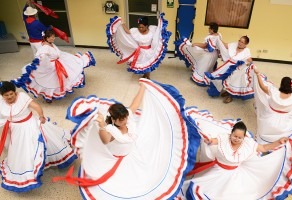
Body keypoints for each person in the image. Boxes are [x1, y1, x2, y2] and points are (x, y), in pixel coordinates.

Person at [53, 79, 200, 199]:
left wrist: (143, 86)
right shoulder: (110, 129)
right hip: (119, 160)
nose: (125, 120)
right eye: (121, 119)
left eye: (125, 118)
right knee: (128, 188)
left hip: (133, 152)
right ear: (115, 119)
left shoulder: (127, 117)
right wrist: (103, 126)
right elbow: (105, 140)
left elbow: (135, 104)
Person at [176, 110, 292, 199]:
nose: (237, 139)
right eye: (235, 136)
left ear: (243, 137)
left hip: (235, 173)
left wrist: (279, 142)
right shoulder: (223, 138)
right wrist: (209, 140)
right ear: (231, 133)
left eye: (240, 137)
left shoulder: (248, 143)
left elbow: (263, 147)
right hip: (218, 170)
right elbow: (214, 140)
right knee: (207, 189)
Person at [0, 81, 77, 192]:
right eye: (6, 95)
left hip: (29, 125)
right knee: (19, 149)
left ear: (15, 92)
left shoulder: (22, 97)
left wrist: (41, 116)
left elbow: (36, 106)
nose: (9, 97)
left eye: (11, 94)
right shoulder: (1, 102)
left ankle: (34, 166)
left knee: (33, 146)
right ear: (2, 96)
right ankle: (23, 167)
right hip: (14, 129)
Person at [12, 29, 95, 103]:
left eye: (53, 36)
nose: (53, 38)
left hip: (58, 61)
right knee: (50, 82)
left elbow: (57, 52)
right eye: (51, 37)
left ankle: (52, 94)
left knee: (74, 67)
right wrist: (49, 66)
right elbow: (41, 57)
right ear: (46, 38)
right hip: (52, 66)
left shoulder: (51, 44)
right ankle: (48, 96)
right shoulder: (44, 48)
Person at [106, 14, 171, 79]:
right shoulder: (135, 31)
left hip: (148, 51)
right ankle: (145, 74)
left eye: (142, 27)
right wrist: (122, 24)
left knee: (148, 64)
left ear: (147, 26)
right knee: (142, 63)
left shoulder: (152, 30)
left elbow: (158, 32)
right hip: (140, 51)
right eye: (139, 27)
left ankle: (148, 76)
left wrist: (161, 21)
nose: (140, 29)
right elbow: (127, 32)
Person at [203, 35, 253, 103]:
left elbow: (249, 60)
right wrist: (219, 39)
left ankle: (230, 96)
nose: (240, 43)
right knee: (219, 75)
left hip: (237, 68)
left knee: (233, 78)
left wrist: (250, 64)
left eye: (242, 42)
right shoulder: (234, 45)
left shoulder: (246, 50)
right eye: (239, 41)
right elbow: (225, 45)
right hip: (228, 65)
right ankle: (226, 90)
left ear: (246, 44)